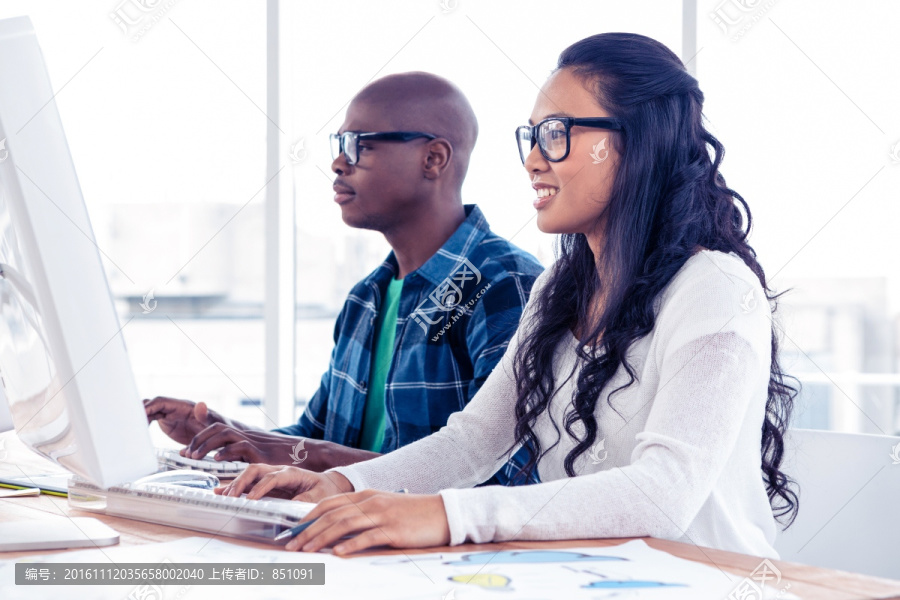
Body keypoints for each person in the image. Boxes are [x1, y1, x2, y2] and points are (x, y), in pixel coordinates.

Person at [217, 32, 800, 559]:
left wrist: (445, 515)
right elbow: (474, 442)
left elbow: (663, 493)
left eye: (557, 134)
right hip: (590, 576)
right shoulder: (560, 289)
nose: (532, 160)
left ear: (637, 141)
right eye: (532, 136)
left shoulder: (714, 289)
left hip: (705, 583)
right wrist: (342, 484)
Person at [145, 72, 544, 487]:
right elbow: (312, 441)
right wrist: (221, 434)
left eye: (360, 145)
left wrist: (315, 455)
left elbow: (506, 473)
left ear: (434, 159)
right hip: (341, 541)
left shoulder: (502, 284)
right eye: (339, 146)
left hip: (429, 552)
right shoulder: (365, 298)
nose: (338, 163)